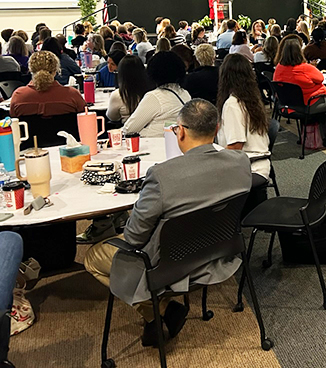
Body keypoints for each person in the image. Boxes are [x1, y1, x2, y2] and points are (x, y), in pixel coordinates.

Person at [84, 99, 251, 347]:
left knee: (92, 257)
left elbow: (134, 239)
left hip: (170, 265)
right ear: (217, 129)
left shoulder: (162, 175)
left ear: (180, 131)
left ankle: (159, 310)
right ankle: (161, 308)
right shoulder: (241, 161)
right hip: (218, 253)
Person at [217, 54, 272, 177]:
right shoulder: (252, 99)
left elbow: (235, 146)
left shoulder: (232, 104)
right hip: (259, 163)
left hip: (247, 167)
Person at [123, 52, 190, 137]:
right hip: (177, 141)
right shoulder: (185, 94)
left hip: (152, 142)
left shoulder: (154, 97)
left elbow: (129, 129)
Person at [9, 51, 86, 117]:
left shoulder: (18, 96)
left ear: (30, 70)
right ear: (56, 71)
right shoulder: (72, 95)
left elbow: (13, 122)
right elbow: (85, 117)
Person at [273, 37, 326, 115]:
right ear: (300, 51)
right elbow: (320, 78)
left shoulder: (279, 68)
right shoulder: (305, 68)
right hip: (307, 104)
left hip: (286, 104)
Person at [107, 55, 153, 123]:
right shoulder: (151, 92)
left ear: (121, 73)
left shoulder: (118, 95)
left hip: (126, 126)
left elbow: (112, 117)